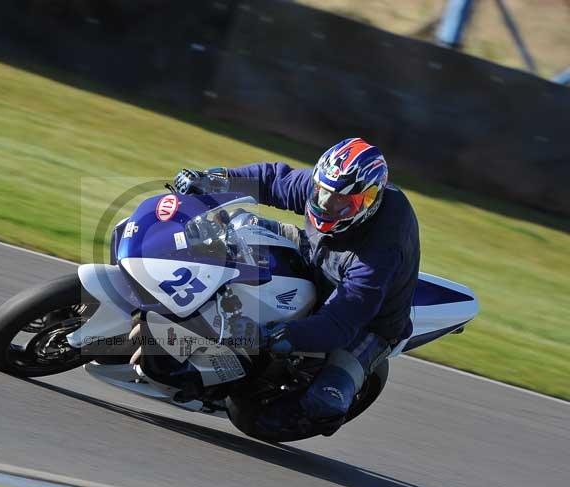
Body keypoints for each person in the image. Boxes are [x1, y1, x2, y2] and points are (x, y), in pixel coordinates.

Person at [174, 138, 420, 435]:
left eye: (343, 203)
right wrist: (212, 181)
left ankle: (298, 405)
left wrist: (274, 335)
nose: (328, 205)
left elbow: (339, 324)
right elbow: (272, 180)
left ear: (369, 200)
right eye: (323, 194)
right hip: (317, 252)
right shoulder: (330, 186)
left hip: (368, 321)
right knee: (236, 224)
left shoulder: (380, 252)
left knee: (325, 402)